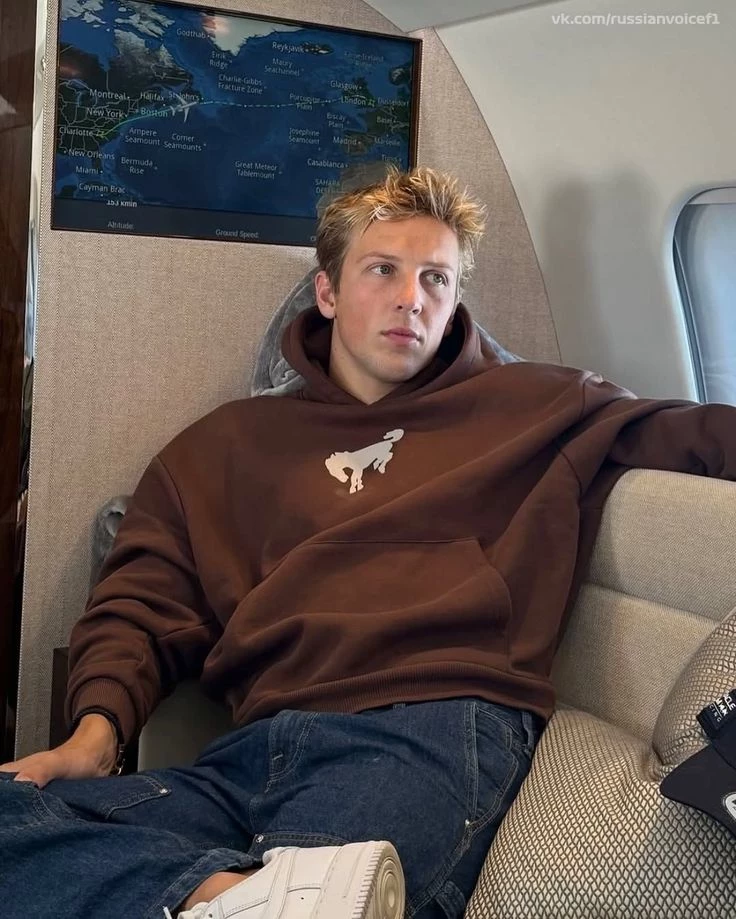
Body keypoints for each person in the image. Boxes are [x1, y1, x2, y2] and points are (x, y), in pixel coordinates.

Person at [2, 166, 736, 919]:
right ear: (327, 292)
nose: (411, 298)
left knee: (320, 895)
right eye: (383, 270)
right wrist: (95, 735)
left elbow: (697, 434)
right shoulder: (221, 448)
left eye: (436, 279)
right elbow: (139, 606)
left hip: (424, 725)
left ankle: (250, 897)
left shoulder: (542, 406)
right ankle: (228, 896)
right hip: (249, 750)